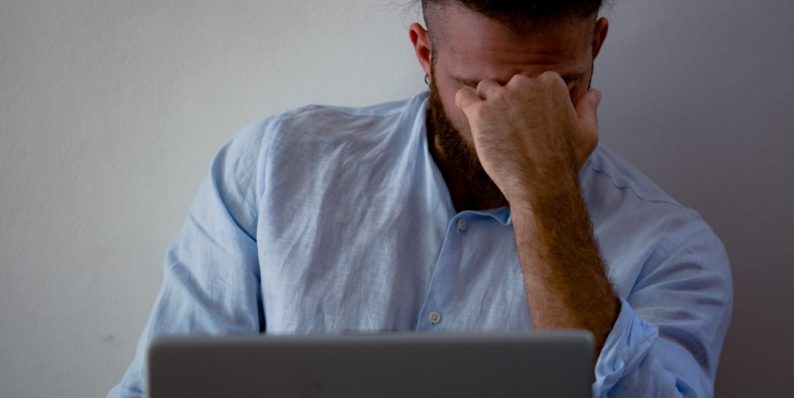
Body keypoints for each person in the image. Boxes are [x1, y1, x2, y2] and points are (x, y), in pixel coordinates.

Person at [108, 1, 732, 397]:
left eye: (552, 88)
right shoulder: (273, 169)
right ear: (425, 53)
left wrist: (543, 195)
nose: (506, 116)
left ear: (594, 49)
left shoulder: (675, 250)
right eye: (479, 85)